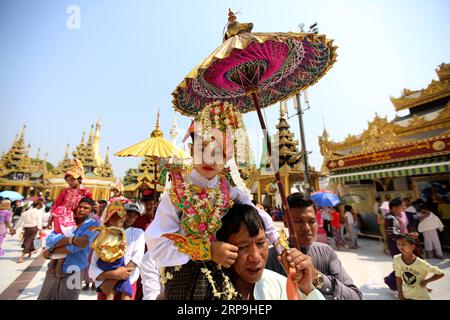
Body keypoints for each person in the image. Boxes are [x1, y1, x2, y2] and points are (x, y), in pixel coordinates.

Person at [145, 101, 278, 300]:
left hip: (225, 277)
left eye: (217, 152)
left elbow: (260, 218)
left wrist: (281, 245)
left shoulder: (229, 190)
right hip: (184, 279)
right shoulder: (177, 194)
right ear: (191, 150)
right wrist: (207, 250)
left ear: (227, 155)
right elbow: (157, 244)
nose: (209, 159)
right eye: (202, 150)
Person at [215, 203, 325, 300]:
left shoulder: (279, 285)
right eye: (243, 247)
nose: (255, 257)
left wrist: (307, 289)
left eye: (260, 243)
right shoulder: (208, 289)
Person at [266, 193, 362, 300]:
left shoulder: (325, 252)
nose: (307, 228)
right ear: (286, 222)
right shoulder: (271, 258)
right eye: (298, 221)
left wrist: (316, 277)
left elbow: (355, 296)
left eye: (311, 221)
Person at [37, 197, 99, 300]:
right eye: (80, 207)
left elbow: (76, 248)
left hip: (74, 269)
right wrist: (73, 239)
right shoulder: (67, 220)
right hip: (53, 268)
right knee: (44, 297)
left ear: (91, 211)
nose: (82, 210)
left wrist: (51, 251)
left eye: (86, 208)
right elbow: (50, 240)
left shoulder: (93, 225)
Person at [90, 202, 145, 300]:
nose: (131, 218)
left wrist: (112, 280)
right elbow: (93, 267)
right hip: (104, 285)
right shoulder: (104, 234)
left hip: (127, 281)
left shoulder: (138, 233)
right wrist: (112, 275)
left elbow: (136, 260)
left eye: (135, 216)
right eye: (129, 214)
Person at [48, 159, 93, 276]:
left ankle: (58, 265)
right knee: (60, 239)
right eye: (68, 180)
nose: (69, 182)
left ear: (79, 178)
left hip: (76, 219)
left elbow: (90, 204)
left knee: (69, 242)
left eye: (72, 179)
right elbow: (56, 204)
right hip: (62, 217)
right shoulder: (64, 191)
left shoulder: (85, 192)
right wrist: (50, 218)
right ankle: (53, 264)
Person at [394, 233, 444, 300]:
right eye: (398, 244)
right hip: (406, 295)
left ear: (413, 247)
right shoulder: (397, 259)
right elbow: (398, 277)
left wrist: (426, 281)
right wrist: (400, 293)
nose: (400, 247)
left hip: (420, 297)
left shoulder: (421, 263)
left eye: (403, 244)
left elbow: (440, 273)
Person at [15, 197, 44, 263]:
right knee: (31, 240)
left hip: (26, 228)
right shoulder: (38, 212)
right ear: (38, 205)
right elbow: (39, 221)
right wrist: (40, 229)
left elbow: (19, 221)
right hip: (34, 227)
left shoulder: (26, 212)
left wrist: (14, 229)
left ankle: (31, 252)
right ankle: (21, 257)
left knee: (29, 240)